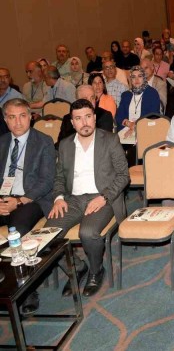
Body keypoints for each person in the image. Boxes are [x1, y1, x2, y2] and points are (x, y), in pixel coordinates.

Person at [45, 99, 128, 297]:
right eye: (78, 118)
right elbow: (59, 178)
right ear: (72, 122)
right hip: (72, 200)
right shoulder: (65, 145)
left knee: (88, 232)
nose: (84, 123)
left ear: (95, 118)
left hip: (102, 197)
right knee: (47, 235)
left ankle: (96, 270)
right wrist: (58, 198)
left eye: (88, 117)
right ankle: (77, 267)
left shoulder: (110, 140)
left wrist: (104, 197)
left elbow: (123, 175)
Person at [0, 98, 56, 315]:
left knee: (18, 232)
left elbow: (47, 181)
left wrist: (19, 201)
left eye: (22, 116)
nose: (18, 122)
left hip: (30, 199)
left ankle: (27, 289)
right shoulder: (2, 142)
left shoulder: (43, 141)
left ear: (31, 117)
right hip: (3, 198)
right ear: (5, 120)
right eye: (12, 117)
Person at [115, 66, 161, 133]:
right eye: (133, 77)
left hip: (145, 130)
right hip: (126, 129)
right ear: (131, 80)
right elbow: (119, 115)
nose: (136, 80)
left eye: (139, 76)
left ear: (144, 78)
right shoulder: (126, 95)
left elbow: (154, 115)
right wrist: (128, 124)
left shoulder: (152, 93)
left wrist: (136, 125)